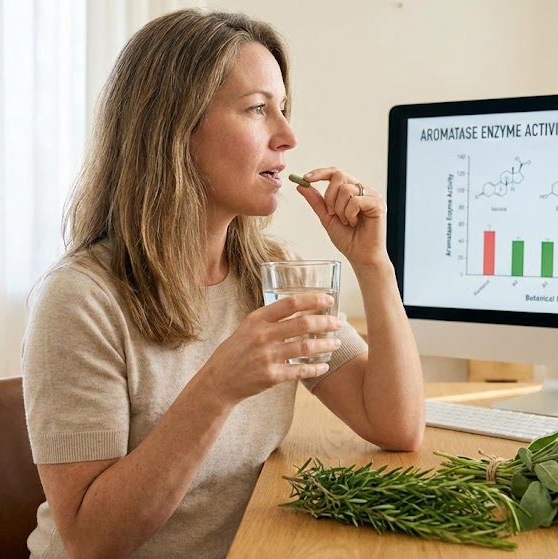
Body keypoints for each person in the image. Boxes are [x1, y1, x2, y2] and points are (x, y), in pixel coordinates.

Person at [21, 8, 424, 559]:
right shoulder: (80, 301)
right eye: (258, 110)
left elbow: (394, 424)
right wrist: (217, 388)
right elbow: (92, 541)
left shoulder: (271, 274)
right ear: (173, 129)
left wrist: (374, 267)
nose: (287, 136)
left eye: (283, 109)